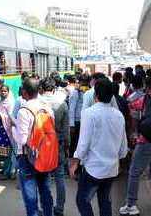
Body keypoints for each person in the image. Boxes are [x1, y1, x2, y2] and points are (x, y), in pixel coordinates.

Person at [70, 78, 128, 216]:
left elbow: (83, 143)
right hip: (111, 168)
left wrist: (75, 162)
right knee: (105, 201)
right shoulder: (119, 115)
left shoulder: (89, 113)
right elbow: (123, 147)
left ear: (96, 95)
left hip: (93, 168)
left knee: (82, 200)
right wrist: (117, 159)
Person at [120, 76, 151, 216]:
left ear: (147, 87)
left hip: (146, 141)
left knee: (134, 171)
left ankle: (131, 204)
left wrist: (136, 129)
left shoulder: (144, 99)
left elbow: (130, 105)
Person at [13, 78, 54, 216]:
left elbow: (22, 139)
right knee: (46, 192)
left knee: (31, 198)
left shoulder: (24, 111)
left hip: (27, 157)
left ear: (24, 92)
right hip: (45, 155)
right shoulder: (47, 108)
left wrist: (13, 129)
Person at [40, 77, 70, 216]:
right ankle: (59, 209)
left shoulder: (36, 104)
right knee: (59, 177)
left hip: (40, 145)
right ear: (53, 89)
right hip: (57, 145)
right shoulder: (62, 104)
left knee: (42, 177)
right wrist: (67, 146)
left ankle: (45, 207)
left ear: (42, 88)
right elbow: (66, 130)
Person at [0, 85, 16, 180]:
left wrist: (1, 116)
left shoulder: (11, 103)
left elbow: (11, 116)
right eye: (2, 91)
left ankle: (8, 172)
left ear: (8, 93)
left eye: (5, 91)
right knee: (2, 151)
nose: (3, 93)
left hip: (7, 129)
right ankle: (5, 168)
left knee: (9, 150)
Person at [69, 74, 88, 157]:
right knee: (75, 142)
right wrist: (71, 125)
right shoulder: (76, 92)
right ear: (79, 82)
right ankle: (72, 158)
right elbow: (72, 109)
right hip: (77, 121)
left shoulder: (87, 92)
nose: (84, 85)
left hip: (84, 120)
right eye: (83, 83)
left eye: (86, 83)